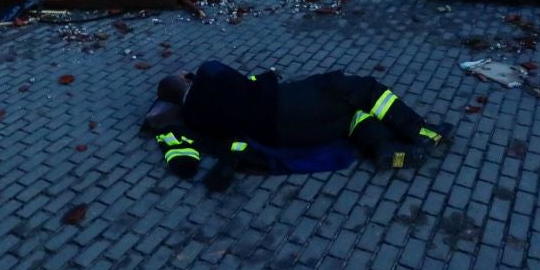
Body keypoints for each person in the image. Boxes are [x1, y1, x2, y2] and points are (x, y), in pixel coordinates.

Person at [142, 60, 449, 191]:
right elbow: (250, 84)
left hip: (279, 137)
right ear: (184, 79)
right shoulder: (208, 72)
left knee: (348, 117)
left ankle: (385, 148)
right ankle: (422, 132)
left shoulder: (194, 120)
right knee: (358, 88)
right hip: (282, 106)